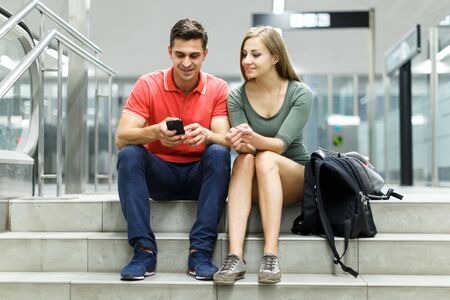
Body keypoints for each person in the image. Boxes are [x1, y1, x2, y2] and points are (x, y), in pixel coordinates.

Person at [115, 18, 231, 281]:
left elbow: (224, 139)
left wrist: (207, 135)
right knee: (130, 153)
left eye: (194, 55)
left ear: (205, 55)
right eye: (179, 55)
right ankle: (143, 250)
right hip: (161, 175)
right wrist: (155, 131)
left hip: (198, 177)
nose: (186, 63)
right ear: (169, 52)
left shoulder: (218, 88)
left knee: (218, 152)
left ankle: (200, 252)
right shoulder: (148, 84)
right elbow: (121, 137)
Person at [213, 26, 314, 285]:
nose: (247, 61)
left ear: (275, 57)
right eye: (244, 54)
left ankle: (271, 255)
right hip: (257, 178)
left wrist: (250, 138)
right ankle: (235, 256)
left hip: (292, 176)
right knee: (245, 159)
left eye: (255, 54)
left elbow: (280, 145)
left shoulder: (300, 93)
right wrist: (242, 142)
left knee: (266, 157)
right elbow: (244, 148)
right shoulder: (236, 96)